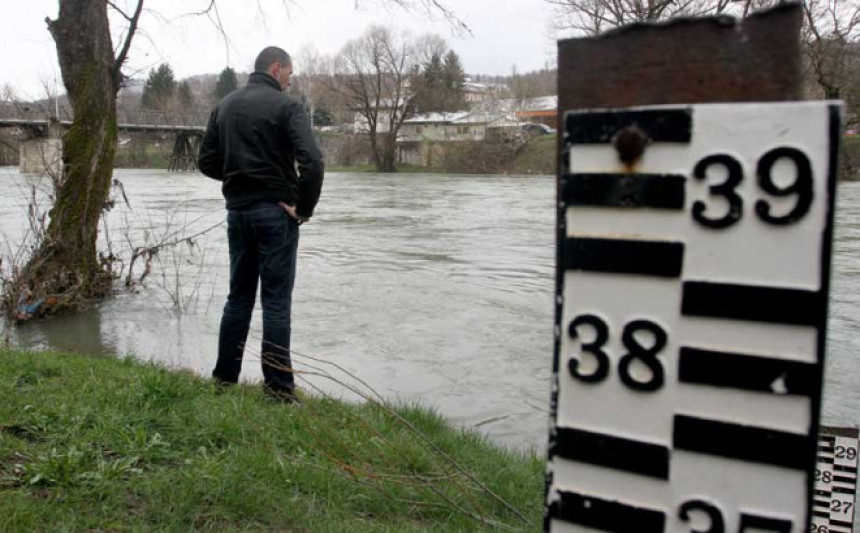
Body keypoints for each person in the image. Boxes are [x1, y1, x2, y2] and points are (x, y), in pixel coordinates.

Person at [199, 46, 324, 402]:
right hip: (276, 212)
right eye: (289, 72)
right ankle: (279, 390)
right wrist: (303, 207)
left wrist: (240, 178)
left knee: (238, 298)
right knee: (275, 303)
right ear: (275, 68)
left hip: (237, 212)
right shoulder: (288, 107)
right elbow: (313, 162)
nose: (290, 80)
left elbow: (206, 161)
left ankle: (224, 381)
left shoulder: (225, 105)